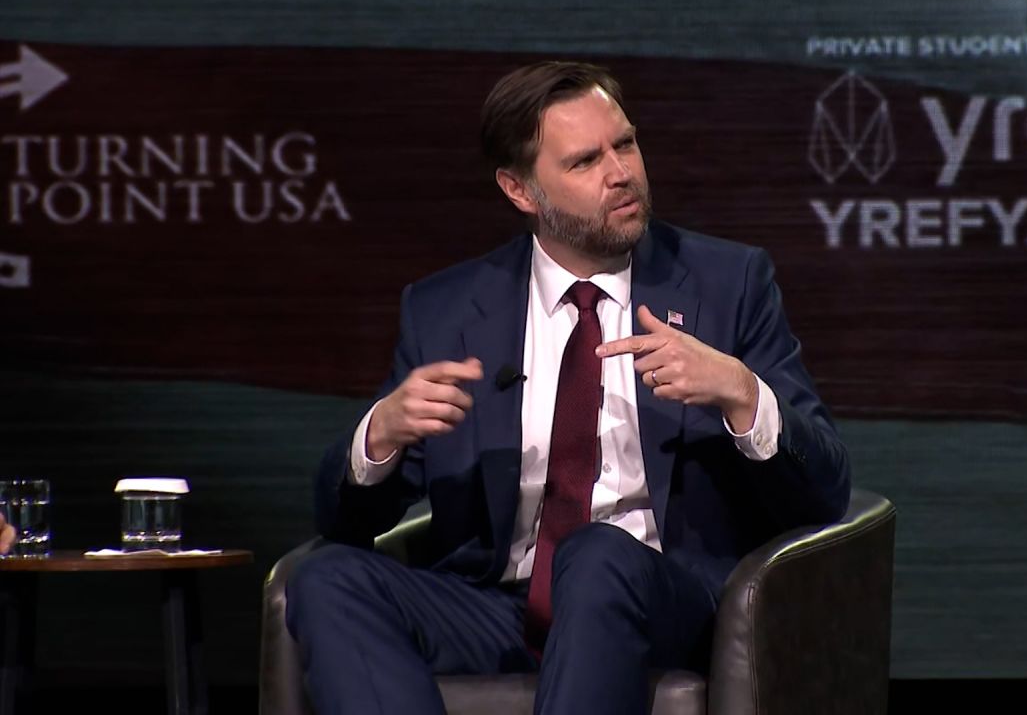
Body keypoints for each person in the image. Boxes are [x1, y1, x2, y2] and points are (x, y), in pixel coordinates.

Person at [286, 61, 851, 715]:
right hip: (495, 604)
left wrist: (743, 394)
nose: (621, 172)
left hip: (656, 597)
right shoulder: (446, 311)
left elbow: (827, 487)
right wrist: (379, 436)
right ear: (520, 189)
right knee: (326, 577)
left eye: (626, 144)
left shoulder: (728, 284)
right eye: (585, 161)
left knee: (596, 555)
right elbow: (345, 523)